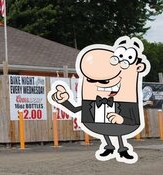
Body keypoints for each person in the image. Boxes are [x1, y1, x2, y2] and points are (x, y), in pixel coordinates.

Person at [48, 36, 150, 164]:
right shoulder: (91, 101)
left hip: (121, 126)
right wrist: (64, 101)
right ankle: (109, 146)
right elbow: (75, 109)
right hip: (98, 125)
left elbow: (133, 119)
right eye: (91, 80)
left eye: (105, 81)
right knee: (106, 129)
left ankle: (122, 148)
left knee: (117, 130)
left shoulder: (127, 102)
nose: (102, 84)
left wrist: (122, 119)